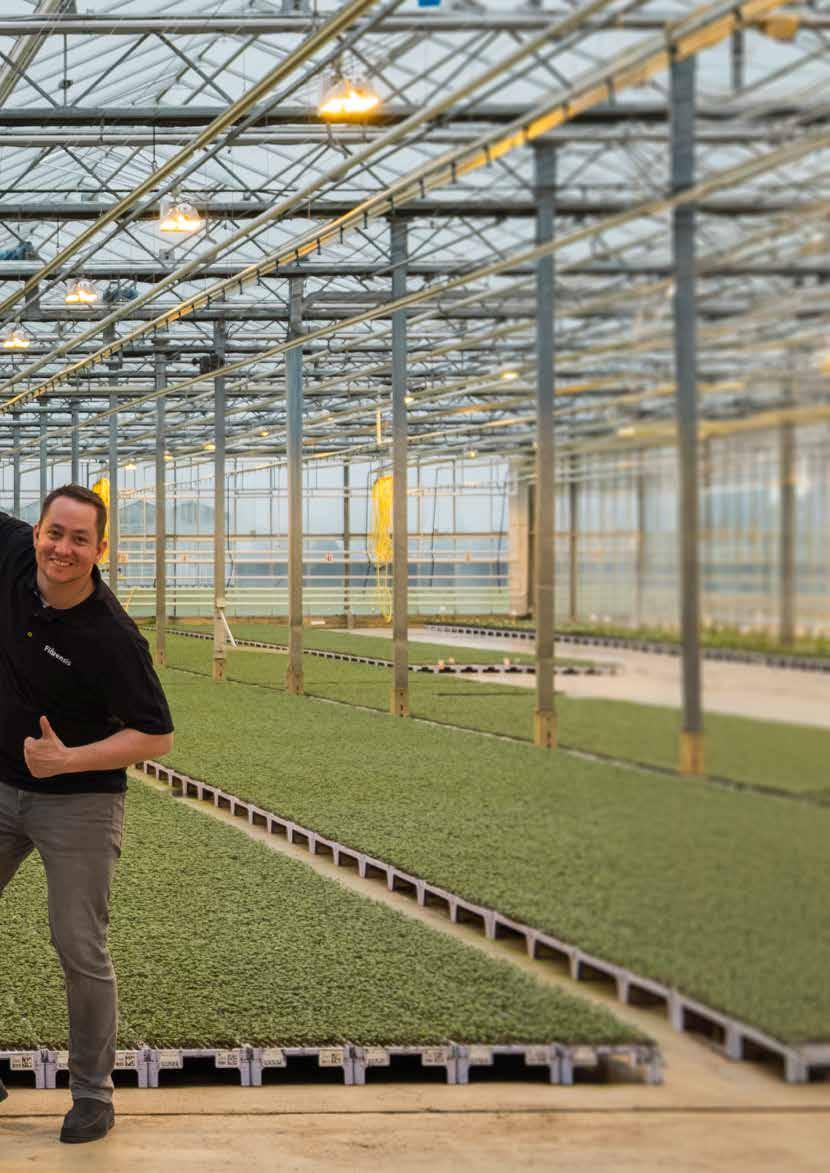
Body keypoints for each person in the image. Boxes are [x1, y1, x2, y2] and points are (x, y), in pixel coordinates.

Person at [0, 484, 173, 1144]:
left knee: (78, 943)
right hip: (2, 785)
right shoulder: (14, 553)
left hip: (81, 801)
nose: (62, 548)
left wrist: (67, 760)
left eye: (79, 539)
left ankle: (93, 1093)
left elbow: (156, 736)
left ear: (101, 550)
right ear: (35, 533)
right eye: (54, 532)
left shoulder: (112, 636)